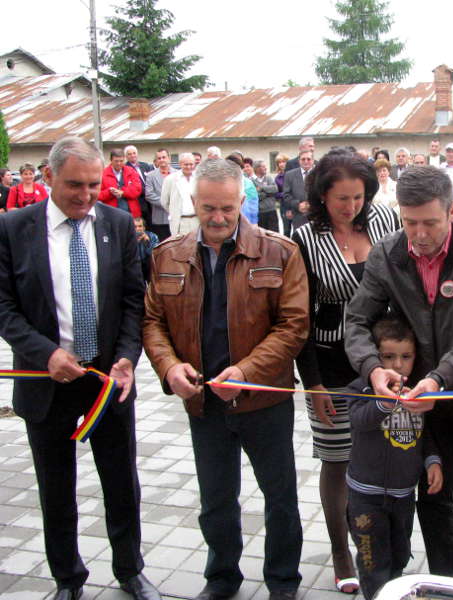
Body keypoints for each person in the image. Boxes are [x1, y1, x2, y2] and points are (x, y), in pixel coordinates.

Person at [0, 136, 160, 600]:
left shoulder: (115, 223)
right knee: (56, 487)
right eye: (75, 185)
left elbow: (134, 300)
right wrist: (44, 353)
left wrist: (128, 357)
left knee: (121, 482)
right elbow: (5, 307)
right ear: (48, 177)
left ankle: (130, 571)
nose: (86, 195)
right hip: (46, 379)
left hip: (107, 380)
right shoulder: (13, 227)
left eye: (94, 184)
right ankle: (68, 579)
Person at [142, 158, 309, 600]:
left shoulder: (280, 252)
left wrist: (248, 371)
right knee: (216, 501)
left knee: (281, 499)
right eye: (208, 208)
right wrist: (168, 367)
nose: (217, 218)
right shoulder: (168, 255)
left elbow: (293, 325)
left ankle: (283, 582)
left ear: (243, 202)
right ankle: (221, 578)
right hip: (205, 403)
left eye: (228, 209)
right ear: (194, 202)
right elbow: (153, 321)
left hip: (264, 401)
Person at [345, 165, 453, 584]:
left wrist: (441, 377)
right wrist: (374, 369)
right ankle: (447, 585)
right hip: (420, 395)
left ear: (452, 212)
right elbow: (357, 320)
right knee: (435, 496)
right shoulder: (387, 253)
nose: (418, 233)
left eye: (430, 223)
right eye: (409, 221)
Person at [291, 149, 399, 595]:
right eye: (341, 199)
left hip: (385, 359)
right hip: (331, 362)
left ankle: (378, 545)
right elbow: (299, 317)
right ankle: (340, 549)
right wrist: (312, 382)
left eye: (357, 196)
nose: (350, 206)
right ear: (321, 194)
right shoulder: (303, 237)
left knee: (381, 456)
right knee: (337, 460)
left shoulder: (385, 222)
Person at [345, 316, 443, 600]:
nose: (398, 365)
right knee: (372, 562)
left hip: (403, 495)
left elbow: (426, 434)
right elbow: (358, 421)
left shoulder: (419, 391)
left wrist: (432, 461)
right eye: (388, 357)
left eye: (405, 357)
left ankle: (393, 591)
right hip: (365, 495)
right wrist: (383, 403)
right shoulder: (360, 388)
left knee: (399, 554)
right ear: (375, 357)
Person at [98, 149, 143, 217]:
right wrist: (110, 192)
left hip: (132, 213)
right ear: (111, 160)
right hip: (111, 214)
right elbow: (98, 195)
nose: (119, 163)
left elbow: (138, 189)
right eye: (116, 161)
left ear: (124, 160)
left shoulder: (131, 171)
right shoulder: (103, 174)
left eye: (121, 161)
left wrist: (123, 192)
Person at [161, 152, 197, 235]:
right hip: (180, 221)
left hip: (197, 220)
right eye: (186, 164)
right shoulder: (170, 179)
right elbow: (164, 202)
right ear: (180, 164)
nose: (189, 167)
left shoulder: (199, 178)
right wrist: (174, 211)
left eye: (191, 164)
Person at [144, 148, 175, 241]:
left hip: (175, 216)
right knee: (162, 245)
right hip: (159, 218)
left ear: (169, 158)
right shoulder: (150, 176)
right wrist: (166, 203)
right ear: (156, 160)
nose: (162, 160)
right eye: (159, 158)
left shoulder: (177, 174)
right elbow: (149, 195)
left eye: (164, 157)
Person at [283, 150, 315, 233]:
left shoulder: (320, 174)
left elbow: (325, 193)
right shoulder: (290, 175)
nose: (306, 161)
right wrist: (298, 205)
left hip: (316, 215)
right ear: (299, 161)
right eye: (303, 159)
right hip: (298, 216)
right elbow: (286, 195)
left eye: (308, 159)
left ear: (313, 160)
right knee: (300, 242)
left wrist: (311, 204)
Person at [125, 145, 154, 225]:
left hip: (150, 202)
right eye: (129, 154)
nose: (132, 155)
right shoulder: (125, 169)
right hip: (138, 202)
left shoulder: (145, 166)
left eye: (134, 153)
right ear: (126, 156)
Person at [252, 159, 280, 231]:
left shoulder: (269, 178)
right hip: (260, 213)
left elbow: (275, 189)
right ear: (257, 168)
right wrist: (268, 193)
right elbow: (255, 196)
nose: (266, 168)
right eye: (263, 166)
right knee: (262, 235)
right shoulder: (251, 181)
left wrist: (261, 188)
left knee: (274, 234)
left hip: (272, 211)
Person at [134, 216, 159, 283]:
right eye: (135, 227)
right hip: (135, 265)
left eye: (140, 226)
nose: (137, 229)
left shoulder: (153, 236)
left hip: (149, 265)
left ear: (144, 227)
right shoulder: (129, 237)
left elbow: (155, 254)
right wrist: (135, 243)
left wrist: (147, 242)